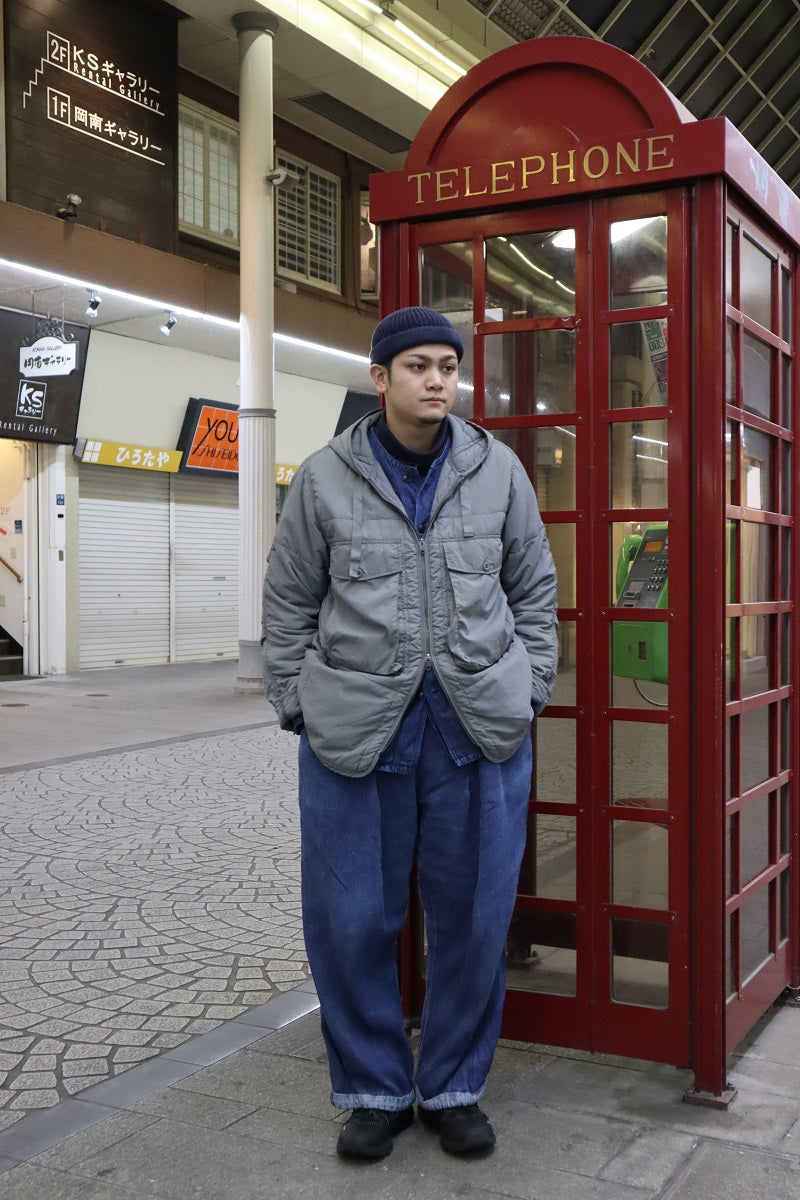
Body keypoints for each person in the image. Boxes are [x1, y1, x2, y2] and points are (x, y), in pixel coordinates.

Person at [262, 306, 558, 1161]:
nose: (437, 380)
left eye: (448, 367)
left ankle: (457, 1086)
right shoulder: (322, 479)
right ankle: (374, 1090)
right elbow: (288, 606)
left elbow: (535, 591)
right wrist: (296, 701)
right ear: (379, 377)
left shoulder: (497, 471)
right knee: (350, 918)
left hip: (477, 732)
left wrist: (530, 686)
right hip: (359, 736)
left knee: (472, 920)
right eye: (419, 366)